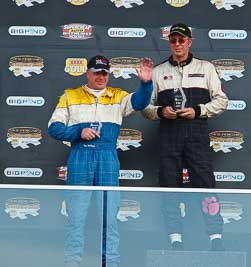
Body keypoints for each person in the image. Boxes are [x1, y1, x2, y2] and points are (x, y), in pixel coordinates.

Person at [48, 55, 153, 267]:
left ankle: (110, 262)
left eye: (104, 72)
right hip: (80, 156)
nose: (100, 76)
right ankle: (72, 262)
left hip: (107, 157)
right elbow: (54, 128)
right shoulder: (70, 96)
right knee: (76, 217)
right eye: (96, 72)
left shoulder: (118, 95)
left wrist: (145, 83)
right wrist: (79, 131)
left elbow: (140, 102)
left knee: (109, 217)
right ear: (87, 72)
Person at [141, 23, 228, 250]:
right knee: (169, 185)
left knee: (205, 184)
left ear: (189, 41)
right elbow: (145, 108)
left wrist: (197, 111)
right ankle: (175, 237)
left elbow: (222, 101)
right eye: (173, 40)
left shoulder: (206, 67)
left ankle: (215, 236)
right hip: (169, 132)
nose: (177, 44)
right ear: (169, 42)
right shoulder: (158, 71)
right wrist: (162, 112)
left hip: (196, 130)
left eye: (182, 40)